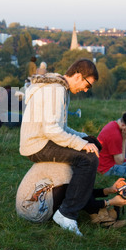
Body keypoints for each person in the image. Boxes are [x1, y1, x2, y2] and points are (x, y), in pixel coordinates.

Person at [19, 58, 100, 236]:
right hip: (37, 144)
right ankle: (67, 214)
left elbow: (60, 128)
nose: (86, 90)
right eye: (87, 85)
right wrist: (81, 144)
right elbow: (52, 130)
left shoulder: (60, 88)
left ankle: (86, 203)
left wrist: (85, 138)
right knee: (88, 159)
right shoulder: (56, 90)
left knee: (93, 143)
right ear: (78, 76)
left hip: (44, 139)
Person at [16, 160, 126, 229]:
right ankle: (101, 217)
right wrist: (110, 202)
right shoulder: (64, 168)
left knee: (76, 187)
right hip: (34, 213)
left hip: (28, 207)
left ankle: (100, 215)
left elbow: (81, 192)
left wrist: (108, 190)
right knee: (75, 187)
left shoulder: (59, 158)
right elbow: (78, 193)